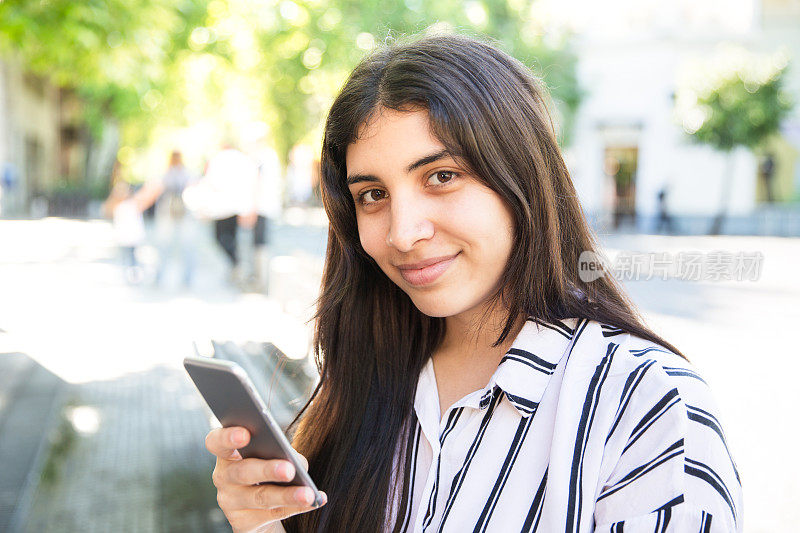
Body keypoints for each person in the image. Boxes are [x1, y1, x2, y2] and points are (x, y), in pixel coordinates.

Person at [204, 35, 742, 532]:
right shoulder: (364, 382)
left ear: (523, 177)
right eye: (372, 194)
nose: (403, 233)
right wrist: (265, 525)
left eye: (441, 177)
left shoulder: (647, 406)